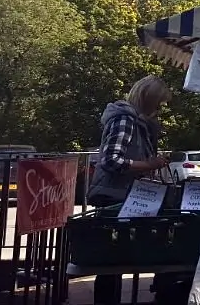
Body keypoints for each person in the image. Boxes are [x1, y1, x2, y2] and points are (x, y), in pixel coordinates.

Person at [86, 75, 172, 305]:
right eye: (158, 103)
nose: (159, 109)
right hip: (113, 197)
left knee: (115, 263)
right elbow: (111, 161)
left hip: (121, 196)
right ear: (148, 100)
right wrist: (148, 165)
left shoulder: (136, 122)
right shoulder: (125, 120)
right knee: (111, 264)